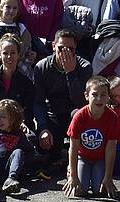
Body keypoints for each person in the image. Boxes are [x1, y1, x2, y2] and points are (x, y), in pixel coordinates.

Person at [33, 30, 92, 173]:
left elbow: (81, 102)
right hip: (53, 112)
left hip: (74, 111)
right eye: (61, 48)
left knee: (81, 117)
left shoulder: (84, 66)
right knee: (47, 149)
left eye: (70, 49)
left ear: (76, 48)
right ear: (53, 46)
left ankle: (77, 156)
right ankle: (60, 153)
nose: (65, 53)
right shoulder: (41, 67)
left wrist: (71, 73)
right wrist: (43, 128)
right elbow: (38, 101)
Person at [65, 76, 119, 199]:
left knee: (100, 191)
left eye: (103, 95)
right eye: (94, 94)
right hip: (83, 157)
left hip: (100, 159)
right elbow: (73, 148)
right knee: (80, 191)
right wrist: (73, 176)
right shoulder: (79, 117)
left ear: (108, 97)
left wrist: (108, 177)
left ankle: (98, 177)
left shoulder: (113, 118)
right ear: (86, 95)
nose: (99, 99)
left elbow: (111, 149)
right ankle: (70, 170)